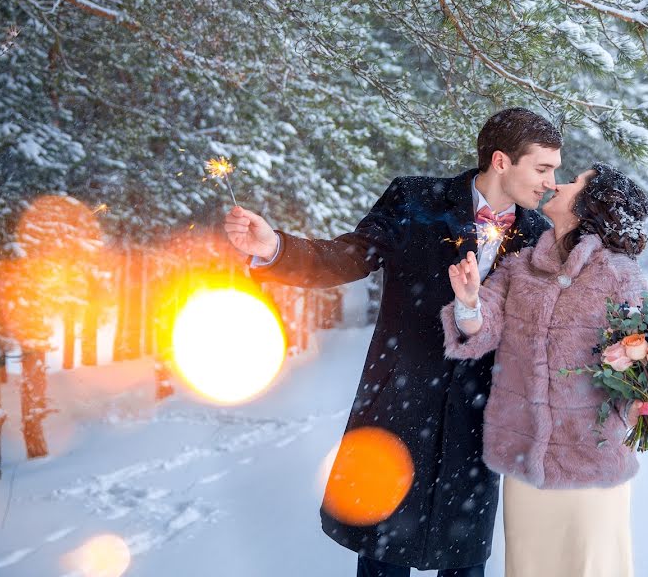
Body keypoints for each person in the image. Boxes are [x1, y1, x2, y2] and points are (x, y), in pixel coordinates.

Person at [224, 108, 561, 576]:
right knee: (382, 554)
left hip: (476, 427)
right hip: (398, 412)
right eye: (542, 168)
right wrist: (275, 249)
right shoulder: (415, 199)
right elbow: (349, 257)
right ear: (502, 161)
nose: (550, 181)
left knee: (464, 560)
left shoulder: (539, 238)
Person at [442, 163, 648, 577]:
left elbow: (646, 356)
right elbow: (482, 329)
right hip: (527, 459)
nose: (558, 184)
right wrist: (469, 300)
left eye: (574, 181)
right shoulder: (520, 266)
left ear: (590, 206)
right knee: (530, 567)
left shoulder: (619, 273)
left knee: (590, 566)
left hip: (591, 458)